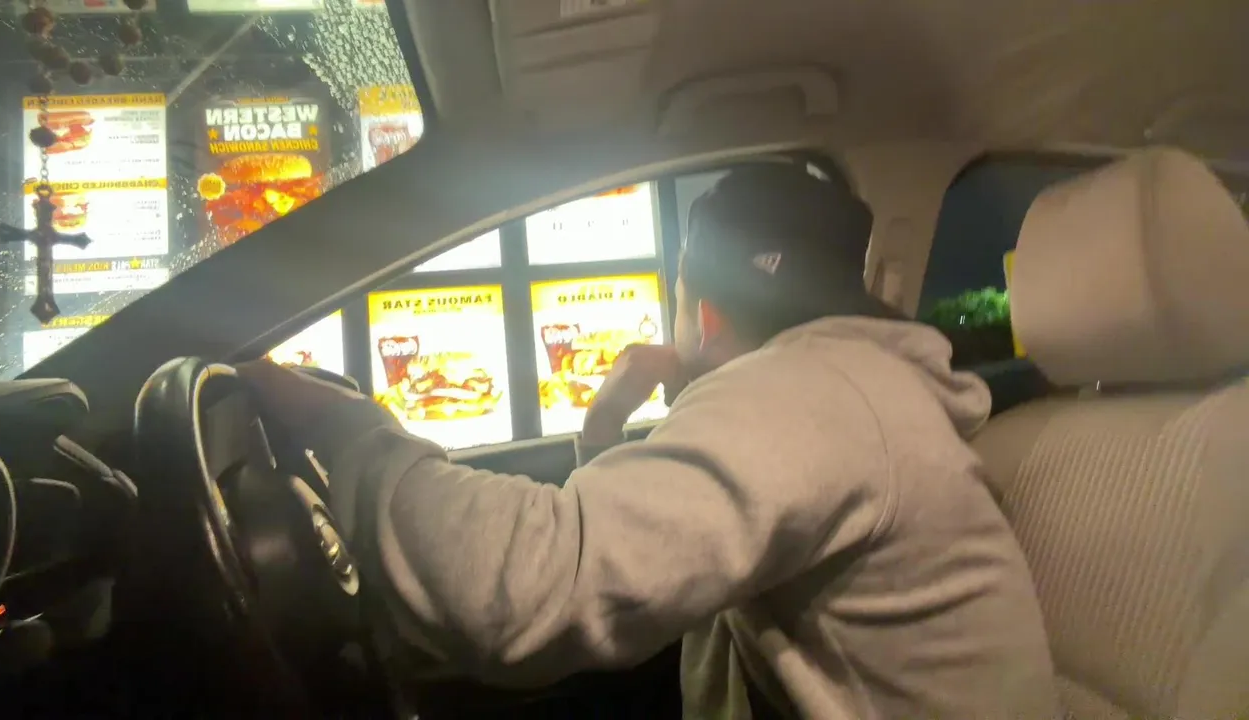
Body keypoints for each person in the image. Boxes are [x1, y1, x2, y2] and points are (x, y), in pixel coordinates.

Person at [239, 165, 1058, 719]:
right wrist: (604, 434)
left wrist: (345, 430)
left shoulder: (813, 393)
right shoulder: (850, 387)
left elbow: (520, 590)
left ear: (703, 315)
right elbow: (649, 579)